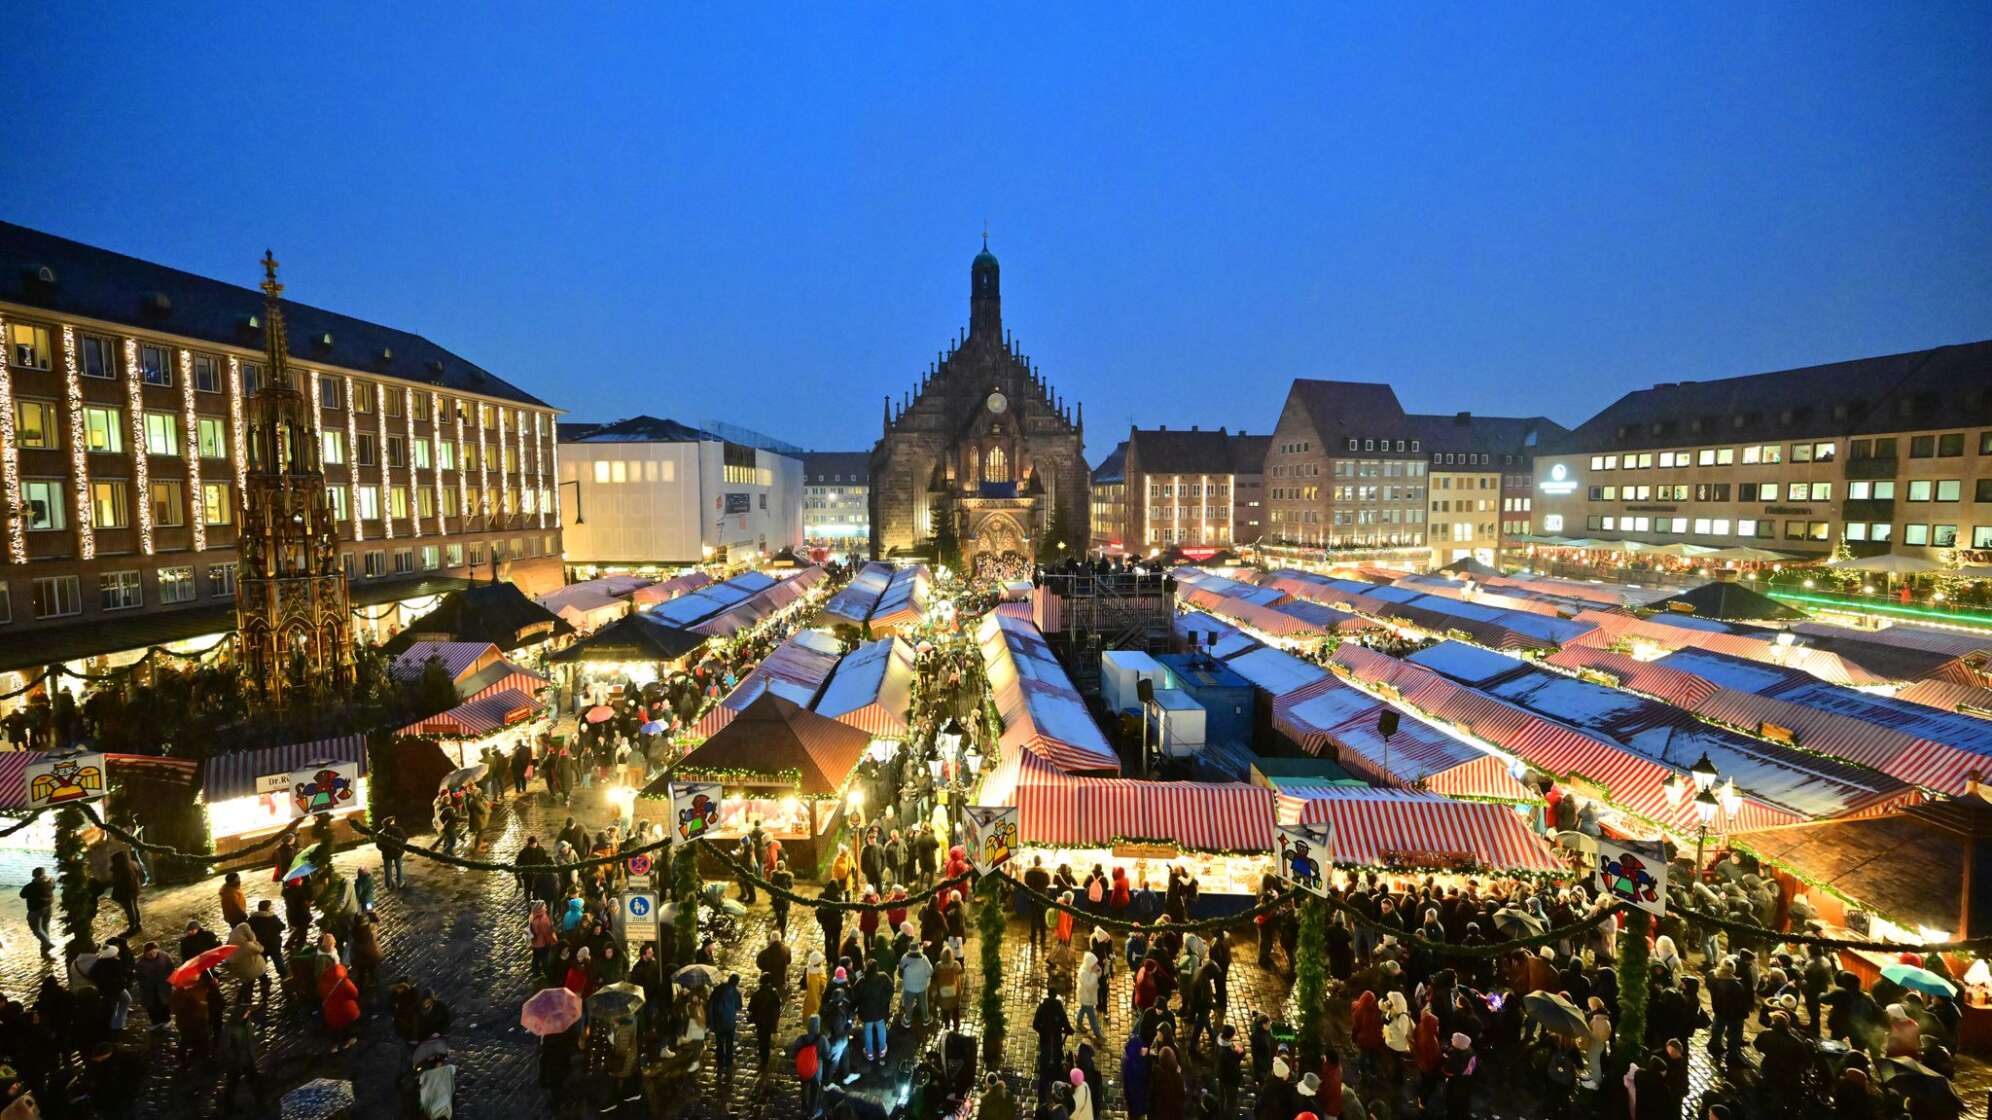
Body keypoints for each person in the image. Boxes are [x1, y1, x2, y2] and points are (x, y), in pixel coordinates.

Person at [218, 1002, 263, 1109]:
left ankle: (259, 1100)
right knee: (233, 1083)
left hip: (247, 1059)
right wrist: (232, 1057)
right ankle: (228, 1105)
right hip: (236, 1062)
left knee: (253, 1081)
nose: (248, 1014)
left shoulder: (246, 1024)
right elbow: (226, 1046)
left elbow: (250, 1040)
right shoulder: (231, 1030)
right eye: (246, 1013)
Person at [790, 1014, 831, 1116]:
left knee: (804, 1087)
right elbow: (827, 1054)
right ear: (818, 1026)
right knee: (814, 1091)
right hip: (816, 1070)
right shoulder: (822, 1039)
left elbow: (793, 1053)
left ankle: (804, 1107)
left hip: (803, 1069)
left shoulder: (801, 1039)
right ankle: (812, 1113)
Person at [1034, 988, 1074, 1093]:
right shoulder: (1059, 1008)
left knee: (1044, 1069)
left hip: (1045, 1041)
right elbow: (1066, 1023)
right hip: (1056, 1042)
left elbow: (1035, 1025)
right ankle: (1057, 1091)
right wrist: (1068, 1030)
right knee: (1057, 1067)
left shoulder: (1042, 1007)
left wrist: (1042, 1031)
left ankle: (1042, 1094)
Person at [709, 973, 743, 1078]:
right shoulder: (735, 993)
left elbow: (711, 1004)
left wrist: (711, 1021)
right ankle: (728, 1062)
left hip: (719, 1022)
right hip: (729, 1022)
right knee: (729, 1043)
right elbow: (739, 1006)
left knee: (719, 1043)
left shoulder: (717, 990)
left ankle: (720, 1063)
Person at [749, 973, 783, 1068]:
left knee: (761, 1039)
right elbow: (778, 1005)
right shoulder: (774, 992)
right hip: (769, 1020)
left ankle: (763, 1058)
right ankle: (766, 1059)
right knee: (767, 1039)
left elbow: (750, 1007)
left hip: (759, 1021)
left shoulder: (757, 993)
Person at [898, 940, 934, 1027]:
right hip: (922, 986)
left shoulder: (904, 958)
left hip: (909, 987)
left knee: (908, 1003)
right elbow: (930, 972)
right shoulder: (924, 959)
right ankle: (926, 1019)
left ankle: (907, 1020)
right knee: (923, 1003)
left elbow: (900, 972)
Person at [19, 867, 54, 955]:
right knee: (45, 927)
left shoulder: (31, 886)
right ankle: (44, 949)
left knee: (36, 929)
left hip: (36, 910)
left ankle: (47, 943)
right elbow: (53, 887)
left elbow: (22, 895)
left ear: (34, 876)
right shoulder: (51, 881)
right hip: (48, 907)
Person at [109, 849, 143, 933]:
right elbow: (139, 874)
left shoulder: (122, 868)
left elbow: (116, 881)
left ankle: (133, 927)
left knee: (129, 910)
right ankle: (137, 924)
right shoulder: (134, 864)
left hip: (125, 892)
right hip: (134, 889)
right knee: (134, 907)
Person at [934, 946, 964, 1031]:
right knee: (955, 1011)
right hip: (954, 995)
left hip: (943, 996)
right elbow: (960, 971)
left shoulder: (938, 966)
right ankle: (956, 1026)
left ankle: (947, 1026)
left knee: (945, 1012)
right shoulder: (956, 965)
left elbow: (936, 975)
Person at [1076, 950, 1104, 1038]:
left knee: (1082, 1009)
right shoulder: (1083, 973)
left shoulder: (1089, 968)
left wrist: (1098, 971)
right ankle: (1097, 1034)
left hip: (1087, 996)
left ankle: (1079, 1023)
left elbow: (1098, 973)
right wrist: (1095, 974)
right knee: (1092, 1017)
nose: (1096, 965)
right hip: (1086, 997)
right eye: (1094, 964)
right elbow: (1088, 985)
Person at [377, 815, 407, 888]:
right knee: (399, 867)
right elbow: (405, 839)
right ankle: (400, 882)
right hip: (398, 852)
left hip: (386, 854)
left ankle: (389, 885)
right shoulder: (398, 830)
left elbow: (378, 846)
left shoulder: (380, 833)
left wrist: (385, 849)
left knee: (387, 869)